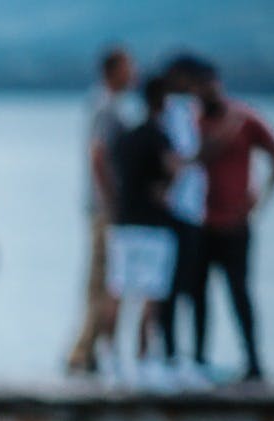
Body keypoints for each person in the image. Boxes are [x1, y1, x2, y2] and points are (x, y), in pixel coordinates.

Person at [187, 58, 274, 383]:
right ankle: (197, 360)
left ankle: (254, 362)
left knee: (239, 294)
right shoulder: (190, 121)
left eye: (209, 85)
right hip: (199, 223)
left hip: (235, 225)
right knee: (198, 295)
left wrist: (261, 198)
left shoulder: (245, 119)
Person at [106, 77, 182, 389]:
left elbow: (110, 168)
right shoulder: (159, 136)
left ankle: (109, 357)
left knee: (117, 290)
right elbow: (175, 167)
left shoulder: (125, 137)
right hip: (153, 225)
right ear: (162, 102)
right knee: (151, 296)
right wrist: (167, 188)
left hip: (124, 222)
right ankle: (142, 362)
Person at [66, 47, 135, 378]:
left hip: (100, 206)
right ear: (113, 70)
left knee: (103, 280)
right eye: (128, 67)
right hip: (104, 209)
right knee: (101, 280)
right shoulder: (106, 108)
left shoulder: (104, 105)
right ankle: (82, 353)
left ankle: (88, 351)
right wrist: (112, 200)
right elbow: (98, 154)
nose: (133, 73)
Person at [156, 57, 211, 386]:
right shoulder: (176, 112)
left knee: (189, 287)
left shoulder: (190, 112)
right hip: (178, 213)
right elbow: (177, 158)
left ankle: (191, 356)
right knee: (174, 287)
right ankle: (173, 356)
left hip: (192, 213)